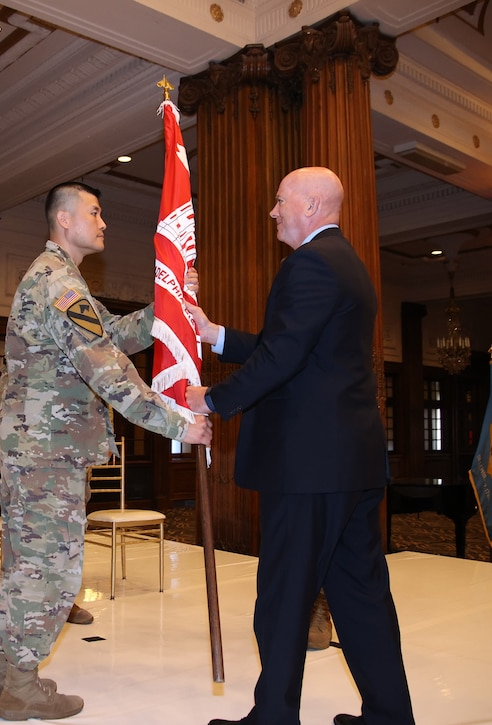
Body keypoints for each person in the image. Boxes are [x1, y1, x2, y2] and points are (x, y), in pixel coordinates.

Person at [187, 167, 413, 725]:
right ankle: (390, 716)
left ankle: (274, 719)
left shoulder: (308, 264)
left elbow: (282, 358)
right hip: (352, 465)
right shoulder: (348, 264)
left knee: (285, 598)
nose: (273, 211)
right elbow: (294, 346)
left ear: (311, 206)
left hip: (309, 469)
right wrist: (215, 333)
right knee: (361, 597)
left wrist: (211, 400)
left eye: (281, 200)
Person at [0, 180, 212, 721]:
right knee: (48, 570)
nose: (103, 221)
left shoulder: (60, 282)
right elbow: (112, 375)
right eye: (94, 211)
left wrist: (169, 305)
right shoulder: (59, 286)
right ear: (64, 219)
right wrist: (179, 422)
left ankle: (6, 681)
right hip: (48, 454)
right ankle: (20, 686)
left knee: (27, 567)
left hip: (42, 451)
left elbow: (108, 334)